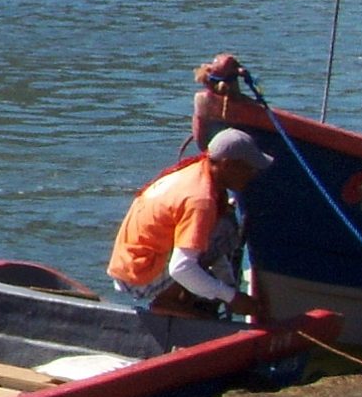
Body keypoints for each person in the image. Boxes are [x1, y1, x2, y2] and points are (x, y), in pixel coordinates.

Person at [108, 127, 273, 317]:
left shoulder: (198, 171)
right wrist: (232, 297)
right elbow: (181, 268)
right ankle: (167, 302)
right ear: (227, 165)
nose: (252, 175)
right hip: (138, 275)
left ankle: (181, 297)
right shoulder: (201, 200)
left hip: (130, 262)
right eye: (249, 168)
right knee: (224, 231)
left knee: (222, 226)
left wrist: (227, 289)